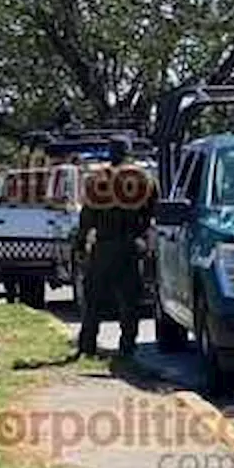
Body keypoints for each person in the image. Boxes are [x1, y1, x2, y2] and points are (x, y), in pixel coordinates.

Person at [76, 139, 157, 358]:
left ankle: (88, 345)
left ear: (110, 153)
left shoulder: (98, 179)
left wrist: (80, 243)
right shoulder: (143, 179)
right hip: (131, 245)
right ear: (129, 152)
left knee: (93, 298)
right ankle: (127, 347)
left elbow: (87, 216)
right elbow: (152, 212)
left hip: (103, 246)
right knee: (130, 300)